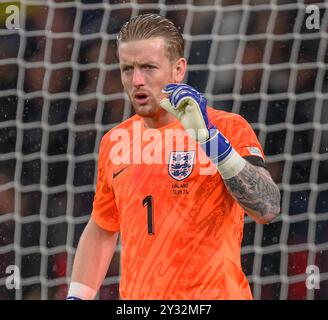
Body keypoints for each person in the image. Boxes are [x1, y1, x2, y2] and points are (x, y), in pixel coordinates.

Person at [67, 13, 281, 300]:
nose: (137, 80)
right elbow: (103, 227)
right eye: (127, 68)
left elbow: (267, 208)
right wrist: (77, 296)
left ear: (178, 69)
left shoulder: (228, 127)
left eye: (148, 67)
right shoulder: (115, 141)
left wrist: (210, 141)